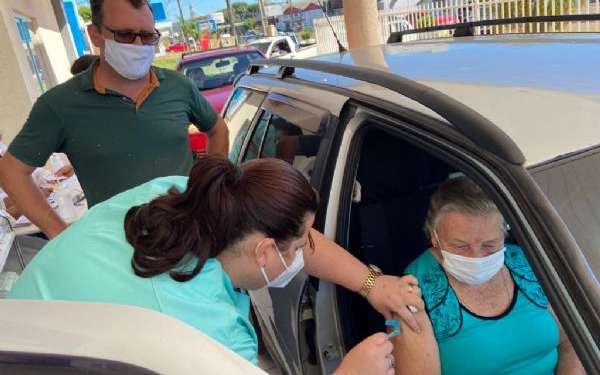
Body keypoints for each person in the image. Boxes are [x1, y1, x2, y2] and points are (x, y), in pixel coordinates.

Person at [10, 156, 422, 374]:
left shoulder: (177, 196)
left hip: (20, 330)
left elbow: (291, 232)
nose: (305, 253)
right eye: (295, 248)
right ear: (264, 252)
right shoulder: (209, 332)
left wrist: (371, 282)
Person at [0, 0, 229, 239]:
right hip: (116, 249)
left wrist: (209, 190)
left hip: (190, 234)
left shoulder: (178, 86)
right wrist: (60, 235)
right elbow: (11, 171)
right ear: (95, 34)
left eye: (147, 36)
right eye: (124, 35)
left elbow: (217, 129)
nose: (138, 46)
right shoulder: (59, 105)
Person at [391, 176, 585, 375]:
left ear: (504, 233)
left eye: (490, 245)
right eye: (461, 246)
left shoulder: (527, 262)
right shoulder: (411, 291)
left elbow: (572, 342)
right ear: (434, 235)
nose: (477, 256)